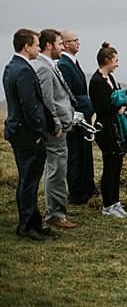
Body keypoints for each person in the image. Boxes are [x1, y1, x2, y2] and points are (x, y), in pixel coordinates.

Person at [3, 29, 54, 241]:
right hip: (26, 133)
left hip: (17, 130)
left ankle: (31, 222)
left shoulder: (11, 67)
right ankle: (27, 226)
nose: (38, 48)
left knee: (27, 179)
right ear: (26, 46)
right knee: (29, 180)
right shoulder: (23, 70)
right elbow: (29, 105)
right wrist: (37, 134)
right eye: (35, 45)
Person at [30, 29, 76, 229]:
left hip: (62, 125)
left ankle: (57, 211)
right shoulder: (43, 67)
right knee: (56, 170)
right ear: (49, 45)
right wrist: (56, 125)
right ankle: (55, 213)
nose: (61, 47)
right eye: (59, 43)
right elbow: (47, 100)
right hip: (55, 129)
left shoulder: (50, 66)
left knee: (59, 168)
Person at [57, 30, 99, 205]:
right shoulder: (64, 65)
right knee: (76, 154)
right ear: (66, 44)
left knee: (85, 154)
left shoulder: (73, 62)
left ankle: (88, 186)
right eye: (75, 40)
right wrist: (72, 116)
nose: (79, 43)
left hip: (85, 117)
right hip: (76, 119)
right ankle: (77, 193)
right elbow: (64, 93)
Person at [89, 42, 127, 218]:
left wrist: (122, 106)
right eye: (115, 61)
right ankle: (108, 205)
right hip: (106, 129)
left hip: (115, 127)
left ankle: (115, 202)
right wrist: (118, 108)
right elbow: (105, 106)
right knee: (110, 167)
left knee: (117, 165)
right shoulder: (97, 81)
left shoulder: (109, 78)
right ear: (107, 60)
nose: (117, 64)